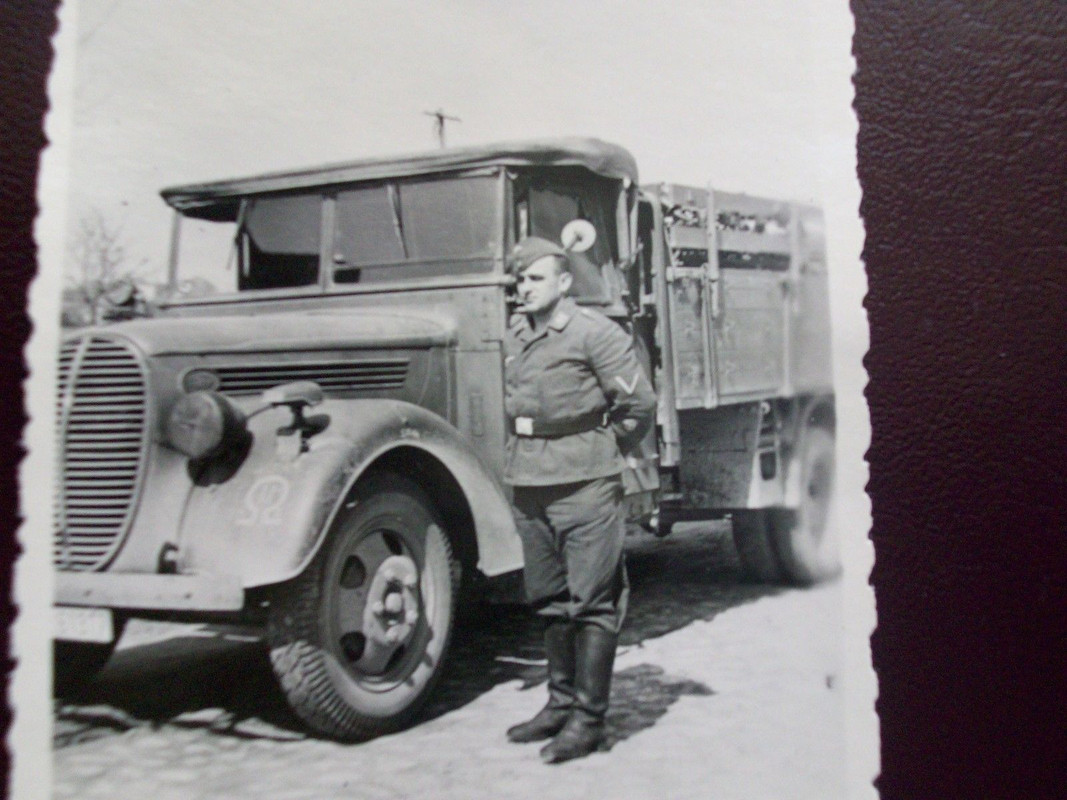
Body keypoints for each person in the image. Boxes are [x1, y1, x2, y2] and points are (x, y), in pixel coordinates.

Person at [502, 236, 656, 764]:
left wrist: (607, 449)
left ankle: (588, 718)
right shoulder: (517, 332)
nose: (524, 288)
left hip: (585, 483)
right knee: (549, 597)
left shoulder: (595, 333)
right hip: (531, 482)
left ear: (565, 283)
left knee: (593, 600)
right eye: (520, 280)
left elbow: (638, 403)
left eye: (535, 278)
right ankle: (558, 703)